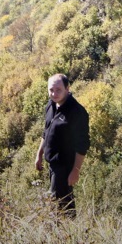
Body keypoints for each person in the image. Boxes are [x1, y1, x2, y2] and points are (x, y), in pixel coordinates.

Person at [34, 73, 89, 216]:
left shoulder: (76, 112)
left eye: (58, 90)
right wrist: (39, 154)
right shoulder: (51, 105)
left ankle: (67, 234)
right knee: (59, 203)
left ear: (67, 89)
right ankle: (66, 233)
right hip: (52, 164)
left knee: (61, 205)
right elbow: (46, 132)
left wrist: (75, 171)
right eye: (51, 90)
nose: (54, 93)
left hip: (64, 167)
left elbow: (82, 145)